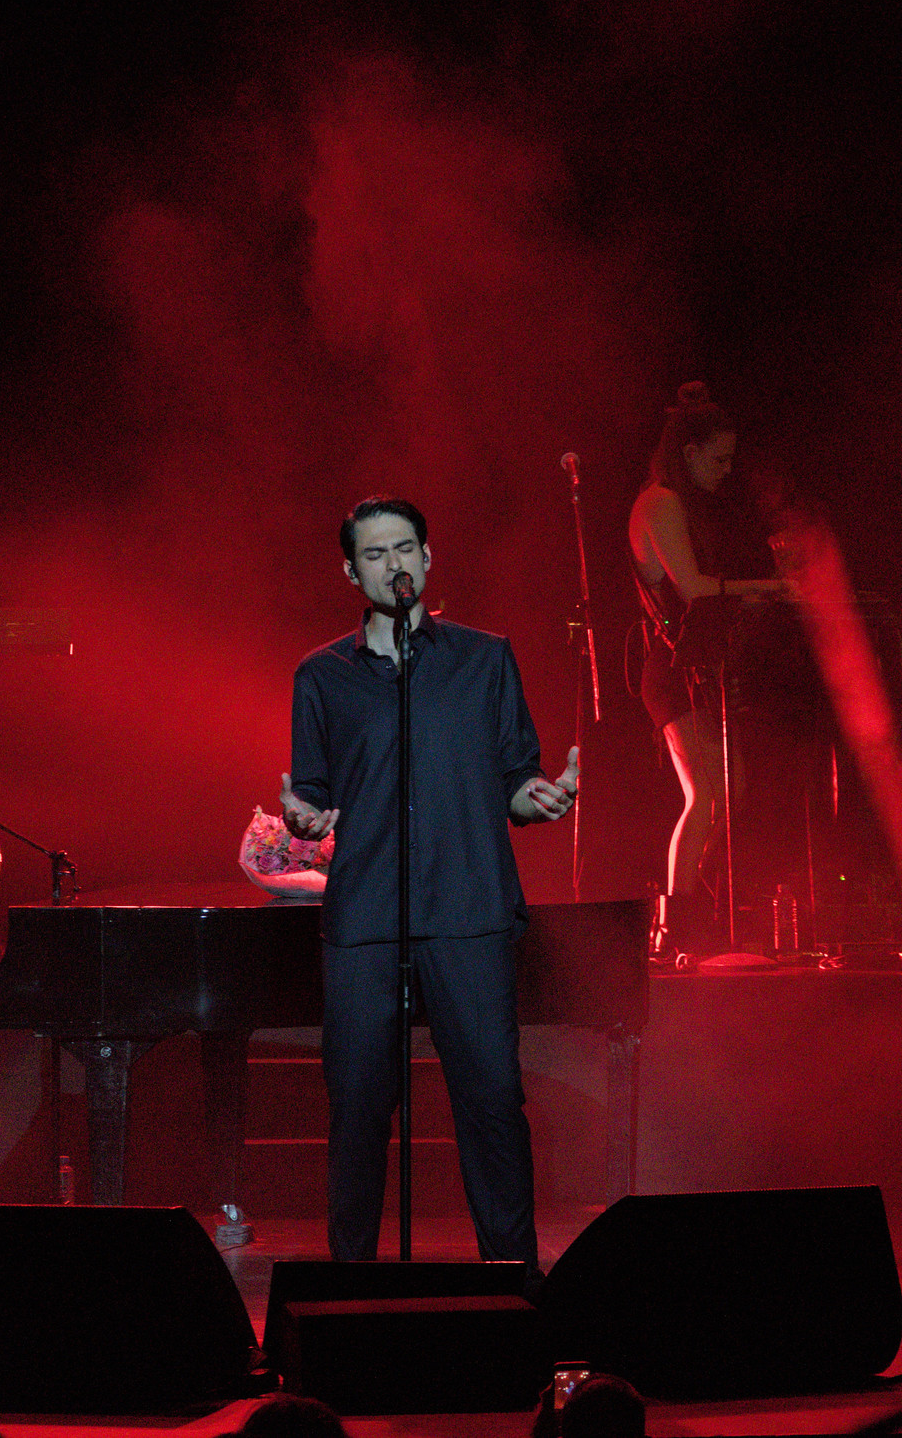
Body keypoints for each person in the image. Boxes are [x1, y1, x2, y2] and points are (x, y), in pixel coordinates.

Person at [281, 496, 579, 1265]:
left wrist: (538, 798)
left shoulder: (485, 659)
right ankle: (350, 1284)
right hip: (367, 918)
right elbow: (310, 792)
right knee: (357, 1110)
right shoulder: (322, 675)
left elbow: (515, 777)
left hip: (469, 909)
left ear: (428, 558)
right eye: (375, 554)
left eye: (405, 548)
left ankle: (513, 1280)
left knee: (491, 1101)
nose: (394, 564)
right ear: (351, 572)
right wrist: (303, 819)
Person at [627, 382, 800, 912]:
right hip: (673, 665)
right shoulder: (660, 502)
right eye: (720, 459)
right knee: (706, 796)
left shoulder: (677, 503)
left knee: (729, 789)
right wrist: (773, 586)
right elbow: (694, 589)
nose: (727, 470)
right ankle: (676, 918)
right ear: (690, 452)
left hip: (695, 665)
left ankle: (698, 900)